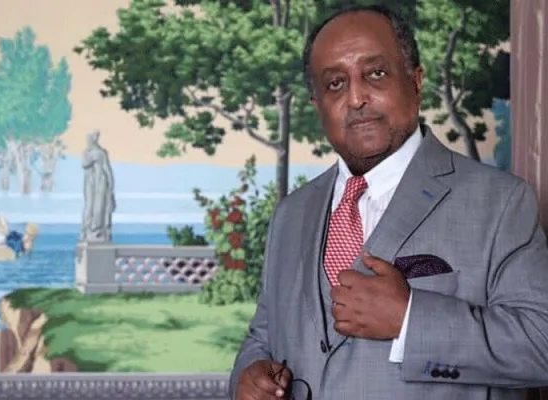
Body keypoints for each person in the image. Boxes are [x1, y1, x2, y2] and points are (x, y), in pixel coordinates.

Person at [230, 5, 548, 400]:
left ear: (416, 82)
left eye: (376, 74)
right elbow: (263, 335)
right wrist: (248, 374)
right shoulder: (291, 214)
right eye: (335, 84)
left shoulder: (501, 202)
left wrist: (409, 319)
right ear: (317, 105)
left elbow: (541, 344)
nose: (356, 98)